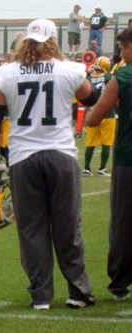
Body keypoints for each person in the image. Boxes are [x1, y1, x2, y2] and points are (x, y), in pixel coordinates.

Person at [0, 19, 97, 310]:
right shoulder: (69, 69)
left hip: (24, 158)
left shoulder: (6, 73)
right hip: (61, 154)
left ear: (25, 41)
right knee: (68, 226)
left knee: (32, 230)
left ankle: (41, 296)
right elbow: (92, 96)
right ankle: (78, 291)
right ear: (54, 40)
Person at [86, 28, 132, 301]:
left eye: (123, 48)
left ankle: (119, 283)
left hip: (128, 158)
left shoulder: (123, 76)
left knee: (124, 223)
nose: (121, 53)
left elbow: (94, 118)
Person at [83, 56, 115, 177]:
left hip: (93, 113)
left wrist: (88, 72)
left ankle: (86, 169)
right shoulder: (109, 77)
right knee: (106, 143)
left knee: (90, 143)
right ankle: (102, 169)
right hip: (107, 113)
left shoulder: (89, 78)